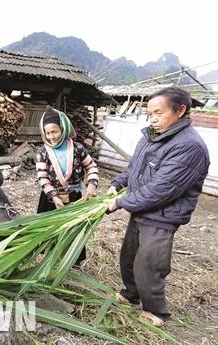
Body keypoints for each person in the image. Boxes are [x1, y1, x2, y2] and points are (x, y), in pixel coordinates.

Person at [105, 86, 210, 327]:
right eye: (150, 113)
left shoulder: (189, 147)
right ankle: (130, 294)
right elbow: (134, 168)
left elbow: (161, 190)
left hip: (162, 216)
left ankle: (155, 311)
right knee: (129, 257)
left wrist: (121, 202)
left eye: (158, 113)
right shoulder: (151, 136)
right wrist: (117, 184)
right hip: (141, 209)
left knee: (150, 264)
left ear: (180, 110)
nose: (153, 119)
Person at [36, 105, 99, 265]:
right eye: (48, 133)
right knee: (50, 230)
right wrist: (53, 196)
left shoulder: (78, 148)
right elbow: (42, 177)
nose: (52, 137)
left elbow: (91, 166)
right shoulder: (42, 152)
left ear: (63, 128)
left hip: (74, 196)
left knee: (73, 229)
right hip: (51, 198)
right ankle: (50, 260)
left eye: (55, 132)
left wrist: (91, 184)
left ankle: (72, 261)